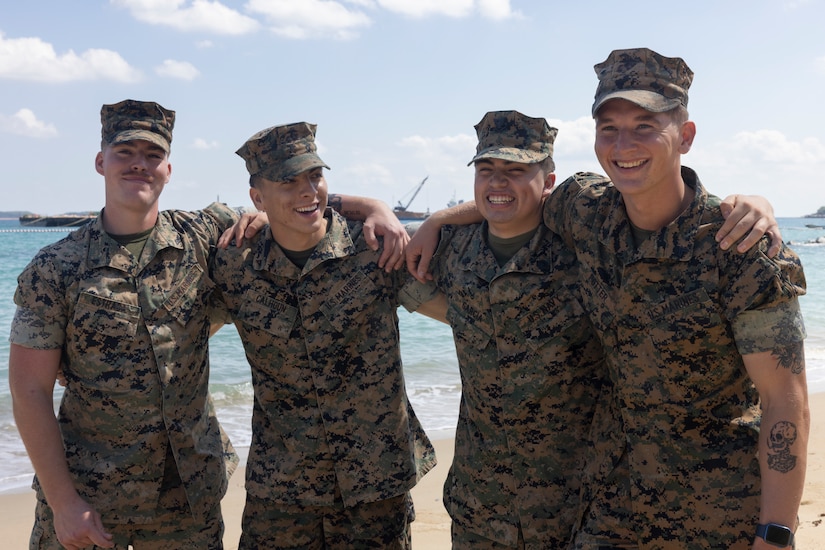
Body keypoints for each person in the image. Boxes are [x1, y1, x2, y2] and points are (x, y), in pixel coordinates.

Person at [8, 100, 411, 550]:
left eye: (153, 154)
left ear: (168, 169)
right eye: (125, 152)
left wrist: (371, 205)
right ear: (101, 162)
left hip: (187, 498)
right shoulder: (56, 267)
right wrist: (64, 502)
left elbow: (289, 201)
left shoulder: (203, 238)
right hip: (90, 493)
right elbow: (29, 390)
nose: (140, 164)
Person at [541, 47, 807, 549]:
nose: (624, 144)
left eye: (645, 125)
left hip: (715, 515)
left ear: (684, 136)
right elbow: (512, 203)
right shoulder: (584, 211)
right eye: (609, 128)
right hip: (611, 505)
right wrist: (415, 217)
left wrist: (775, 533)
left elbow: (784, 400)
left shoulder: (740, 249)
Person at [209, 121, 445, 549]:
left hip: (375, 486)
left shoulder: (375, 249)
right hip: (281, 490)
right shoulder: (235, 266)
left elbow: (466, 312)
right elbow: (176, 329)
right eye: (288, 181)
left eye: (315, 176)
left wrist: (432, 216)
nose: (307, 191)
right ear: (257, 198)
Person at [400, 109, 609, 548]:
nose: (498, 182)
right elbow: (352, 248)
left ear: (548, 182)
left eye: (516, 171)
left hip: (576, 508)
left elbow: (662, 212)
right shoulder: (452, 250)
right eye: (486, 169)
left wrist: (746, 206)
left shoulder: (584, 246)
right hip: (480, 506)